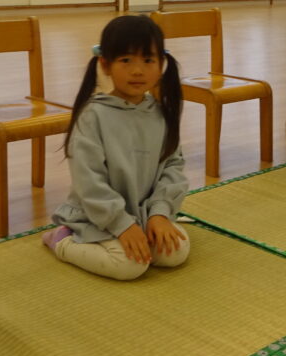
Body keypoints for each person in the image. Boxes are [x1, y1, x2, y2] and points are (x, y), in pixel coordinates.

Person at [43, 15, 189, 281]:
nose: (137, 70)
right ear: (105, 64)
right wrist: (121, 225)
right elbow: (89, 182)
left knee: (175, 251)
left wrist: (159, 214)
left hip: (143, 213)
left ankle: (142, 229)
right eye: (126, 60)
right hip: (97, 215)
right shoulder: (93, 116)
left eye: (148, 60)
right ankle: (61, 240)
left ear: (161, 65)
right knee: (129, 266)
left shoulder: (161, 113)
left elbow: (173, 166)